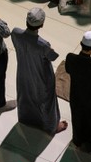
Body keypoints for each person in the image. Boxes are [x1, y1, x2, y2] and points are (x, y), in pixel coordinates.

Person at [11, 8, 67, 136]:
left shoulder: (15, 33)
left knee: (25, 95)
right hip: (41, 77)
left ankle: (26, 119)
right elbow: (53, 56)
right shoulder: (43, 44)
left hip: (23, 73)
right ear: (41, 24)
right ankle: (52, 126)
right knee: (46, 101)